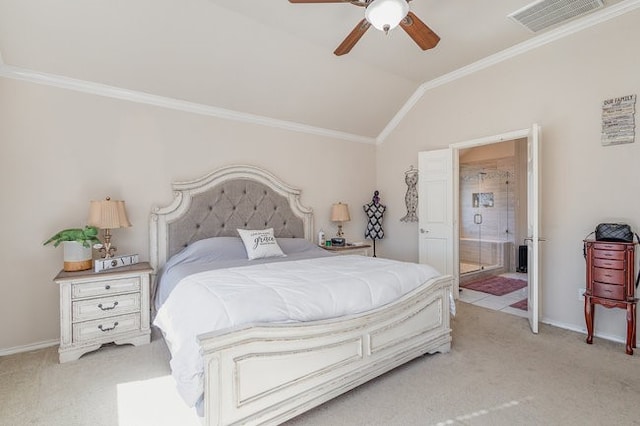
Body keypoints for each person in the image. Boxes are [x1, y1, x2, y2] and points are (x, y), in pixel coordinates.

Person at [363, 191, 386, 257]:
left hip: (379, 230)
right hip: (370, 229)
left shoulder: (383, 207)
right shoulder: (366, 206)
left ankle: (375, 256)